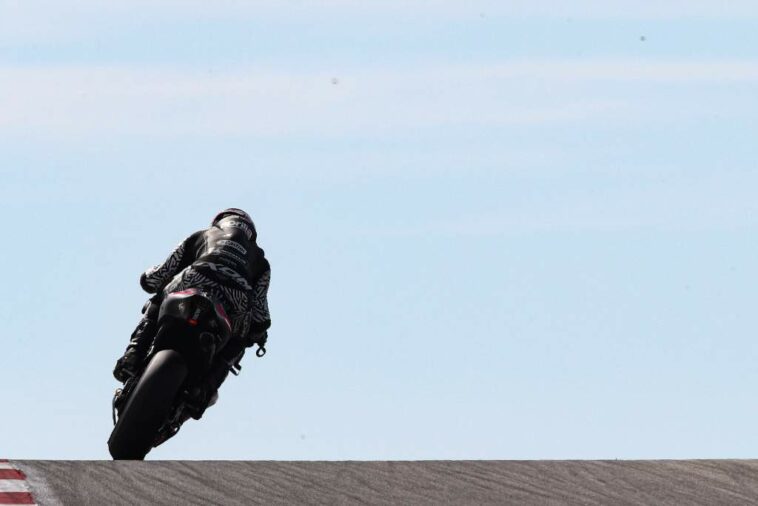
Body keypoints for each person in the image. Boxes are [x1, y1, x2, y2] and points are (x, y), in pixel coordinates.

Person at [113, 208, 271, 417]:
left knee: (159, 298)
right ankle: (202, 391)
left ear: (219, 222)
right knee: (237, 343)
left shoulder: (202, 235)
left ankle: (132, 355)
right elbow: (260, 310)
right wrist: (259, 332)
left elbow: (161, 273)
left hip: (194, 278)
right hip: (235, 300)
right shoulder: (260, 259)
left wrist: (146, 279)